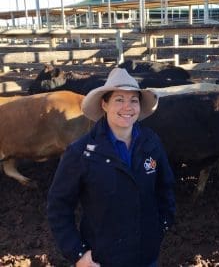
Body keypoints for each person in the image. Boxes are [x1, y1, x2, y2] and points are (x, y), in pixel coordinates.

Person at [47, 67, 176, 267]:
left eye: (133, 100)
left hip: (146, 255)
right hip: (104, 258)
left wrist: (162, 225)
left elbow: (165, 187)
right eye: (119, 100)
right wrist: (78, 253)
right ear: (104, 104)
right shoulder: (81, 152)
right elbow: (58, 206)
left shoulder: (151, 143)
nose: (127, 107)